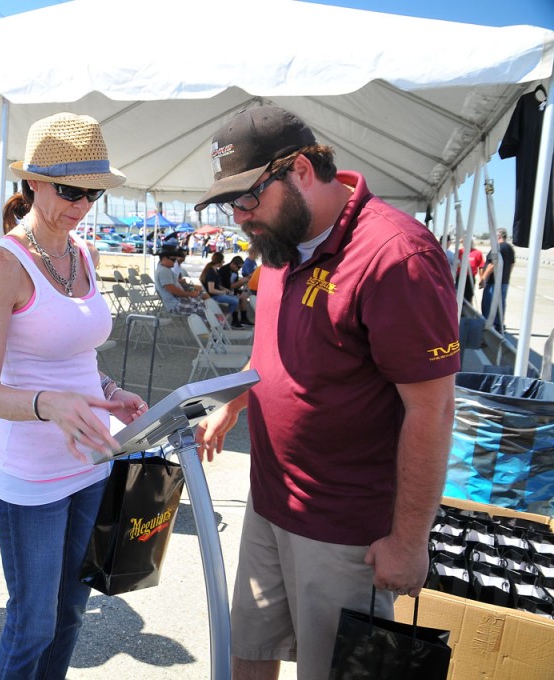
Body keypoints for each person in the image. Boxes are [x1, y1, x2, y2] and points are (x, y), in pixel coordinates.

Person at [191, 105, 459, 680]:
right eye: (227, 204)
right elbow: (275, 351)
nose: (239, 217)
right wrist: (234, 402)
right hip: (270, 501)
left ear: (301, 172)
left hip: (344, 528)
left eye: (247, 198)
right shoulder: (284, 244)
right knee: (249, 653)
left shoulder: (395, 255)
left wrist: (410, 540)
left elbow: (431, 408)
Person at [0, 112, 147, 680]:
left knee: (71, 612)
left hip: (89, 463)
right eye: (70, 190)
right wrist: (51, 404)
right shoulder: (3, 264)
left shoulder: (83, 253)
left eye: (92, 192)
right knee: (33, 624)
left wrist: (111, 393)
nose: (82, 203)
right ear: (33, 184)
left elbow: (80, 359)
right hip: (30, 477)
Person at [479, 227, 515, 332]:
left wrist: (483, 278)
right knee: (501, 303)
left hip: (493, 282)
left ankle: (488, 326)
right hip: (504, 281)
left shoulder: (497, 247)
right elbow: (512, 264)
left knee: (488, 304)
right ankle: (499, 324)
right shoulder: (510, 248)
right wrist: (507, 275)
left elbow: (492, 263)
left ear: (498, 236)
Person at [154, 244, 207, 316]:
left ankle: (212, 325)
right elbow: (174, 291)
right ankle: (214, 326)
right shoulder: (164, 271)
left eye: (175, 259)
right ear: (164, 259)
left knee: (205, 303)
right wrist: (190, 294)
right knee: (206, 309)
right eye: (173, 259)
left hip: (177, 301)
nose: (175, 262)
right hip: (175, 305)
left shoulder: (164, 269)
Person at [199, 251, 240, 318]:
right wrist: (222, 292)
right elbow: (211, 290)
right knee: (235, 301)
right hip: (213, 296)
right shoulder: (211, 272)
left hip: (216, 294)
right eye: (223, 261)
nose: (223, 262)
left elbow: (217, 285)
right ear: (219, 262)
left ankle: (223, 316)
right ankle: (224, 318)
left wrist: (225, 289)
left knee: (235, 298)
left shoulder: (215, 270)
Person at [219, 255, 255, 327]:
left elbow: (235, 286)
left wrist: (243, 284)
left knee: (244, 296)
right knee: (237, 297)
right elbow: (227, 286)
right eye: (238, 267)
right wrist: (241, 282)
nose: (239, 269)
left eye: (240, 267)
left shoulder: (235, 271)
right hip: (223, 291)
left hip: (231, 290)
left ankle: (243, 318)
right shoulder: (224, 270)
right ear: (232, 264)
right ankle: (235, 320)